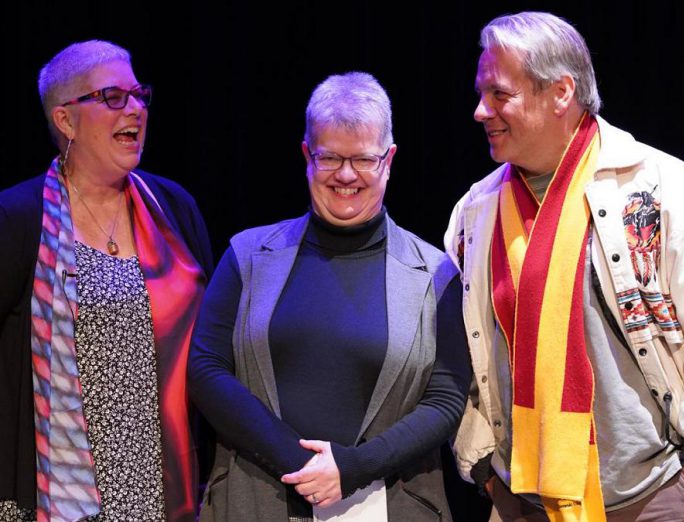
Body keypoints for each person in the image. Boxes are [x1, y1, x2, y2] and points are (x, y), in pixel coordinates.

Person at [445, 11, 684, 522]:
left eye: (499, 94)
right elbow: (464, 353)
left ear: (561, 92)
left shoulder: (662, 189)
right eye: (481, 93)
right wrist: (484, 473)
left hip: (651, 497)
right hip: (523, 501)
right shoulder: (475, 213)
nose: (480, 111)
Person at [188, 71, 472, 521]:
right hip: (256, 500)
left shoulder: (434, 274)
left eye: (362, 159)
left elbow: (446, 397)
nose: (345, 175)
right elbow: (206, 370)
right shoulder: (248, 256)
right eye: (329, 158)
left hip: (389, 503)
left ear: (389, 159)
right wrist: (303, 467)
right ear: (306, 154)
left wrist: (354, 468)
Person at [0, 40, 213, 521]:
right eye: (113, 97)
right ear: (65, 120)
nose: (135, 109)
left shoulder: (173, 210)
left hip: (162, 487)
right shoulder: (18, 219)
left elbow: (213, 349)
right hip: (60, 493)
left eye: (139, 95)